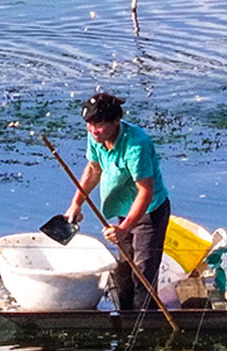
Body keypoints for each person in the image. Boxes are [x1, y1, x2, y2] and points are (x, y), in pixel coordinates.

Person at [73, 90, 171, 321]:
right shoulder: (95, 136)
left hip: (149, 213)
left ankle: (146, 322)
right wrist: (76, 204)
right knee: (124, 270)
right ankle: (126, 317)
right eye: (89, 124)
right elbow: (93, 170)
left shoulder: (137, 145)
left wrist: (124, 228)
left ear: (116, 120)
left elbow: (145, 192)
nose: (93, 130)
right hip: (122, 211)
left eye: (100, 124)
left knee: (143, 273)